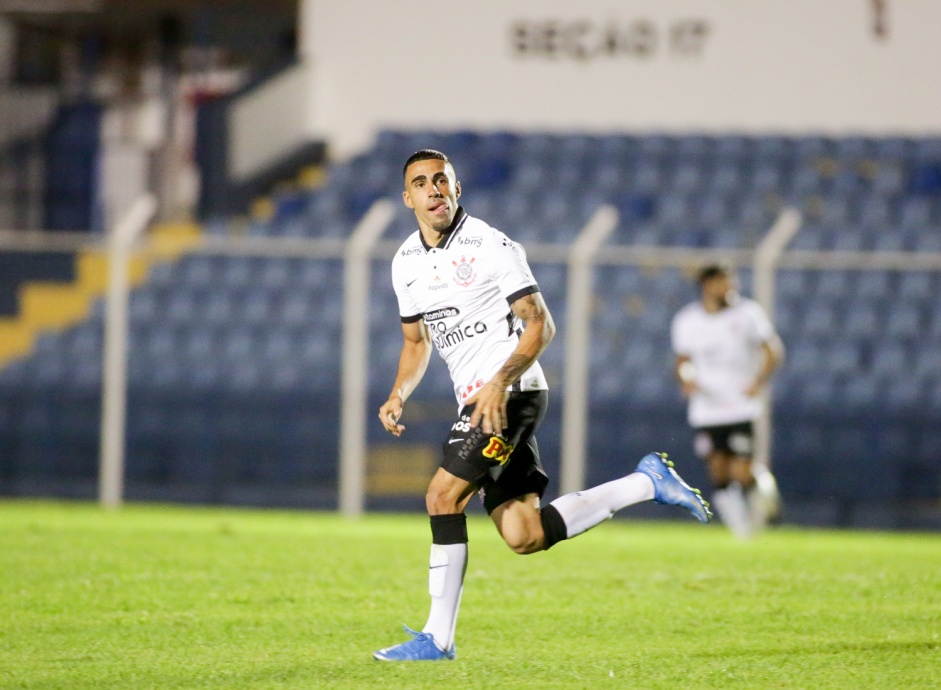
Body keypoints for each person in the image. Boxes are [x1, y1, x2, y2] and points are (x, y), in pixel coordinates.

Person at [373, 149, 711, 662]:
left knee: (442, 496)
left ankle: (437, 639)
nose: (434, 189)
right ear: (408, 198)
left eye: (442, 179)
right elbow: (416, 343)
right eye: (422, 183)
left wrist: (499, 380)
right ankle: (647, 481)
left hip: (512, 392)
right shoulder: (405, 263)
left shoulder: (491, 246)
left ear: (457, 188)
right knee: (523, 534)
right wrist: (399, 392)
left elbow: (540, 325)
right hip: (481, 398)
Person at [670, 262, 784, 540]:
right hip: (707, 408)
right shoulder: (687, 320)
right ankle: (741, 533)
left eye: (731, 282)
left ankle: (764, 491)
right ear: (706, 286)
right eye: (722, 282)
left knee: (742, 471)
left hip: (740, 405)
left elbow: (773, 350)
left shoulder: (747, 314)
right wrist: (687, 380)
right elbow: (683, 362)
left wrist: (757, 383)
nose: (729, 288)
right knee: (719, 471)